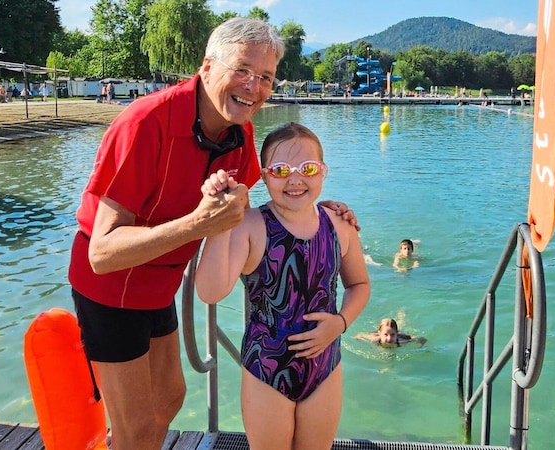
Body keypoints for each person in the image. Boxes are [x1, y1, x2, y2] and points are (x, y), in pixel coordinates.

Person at [68, 18, 357, 450]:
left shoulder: (241, 138)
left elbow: (277, 201)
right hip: (110, 291)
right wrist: (199, 225)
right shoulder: (145, 123)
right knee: (135, 426)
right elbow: (102, 253)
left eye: (265, 77)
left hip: (159, 286)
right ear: (206, 66)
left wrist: (326, 211)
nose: (253, 86)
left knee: (169, 398)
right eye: (242, 69)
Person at [195, 122, 370, 450]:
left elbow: (359, 284)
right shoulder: (251, 226)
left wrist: (341, 323)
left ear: (323, 171)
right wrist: (219, 222)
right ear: (263, 176)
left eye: (307, 168)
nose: (295, 179)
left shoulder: (339, 226)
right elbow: (209, 291)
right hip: (266, 370)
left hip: (325, 367)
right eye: (280, 170)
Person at [356, 318, 426, 347]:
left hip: (401, 334)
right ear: (379, 333)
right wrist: (357, 338)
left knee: (401, 323)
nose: (389, 338)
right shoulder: (374, 339)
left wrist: (422, 347)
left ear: (396, 333)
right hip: (379, 333)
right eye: (386, 335)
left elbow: (422, 339)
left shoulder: (402, 341)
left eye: (392, 335)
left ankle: (402, 316)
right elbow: (360, 335)